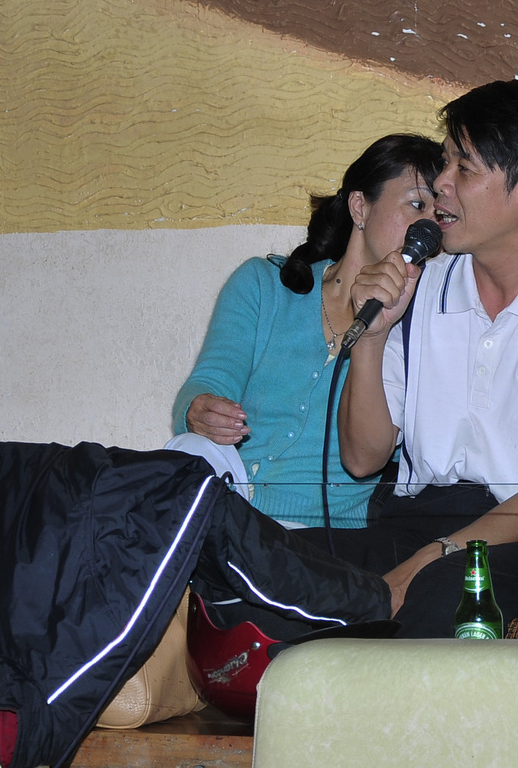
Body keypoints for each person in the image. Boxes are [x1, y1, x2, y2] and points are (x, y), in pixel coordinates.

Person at [323, 80, 518, 637]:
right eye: (445, 161)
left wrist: (431, 559)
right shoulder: (420, 285)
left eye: (464, 169)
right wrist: (372, 338)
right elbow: (362, 458)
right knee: (289, 568)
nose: (441, 184)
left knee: (446, 592)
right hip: (416, 517)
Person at [169, 134, 444, 529]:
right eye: (417, 205)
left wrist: (376, 335)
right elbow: (210, 380)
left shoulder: (423, 324)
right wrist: (197, 411)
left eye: (439, 215)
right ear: (360, 207)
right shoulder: (263, 285)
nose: (429, 227)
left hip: (324, 539)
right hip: (226, 512)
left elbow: (372, 460)